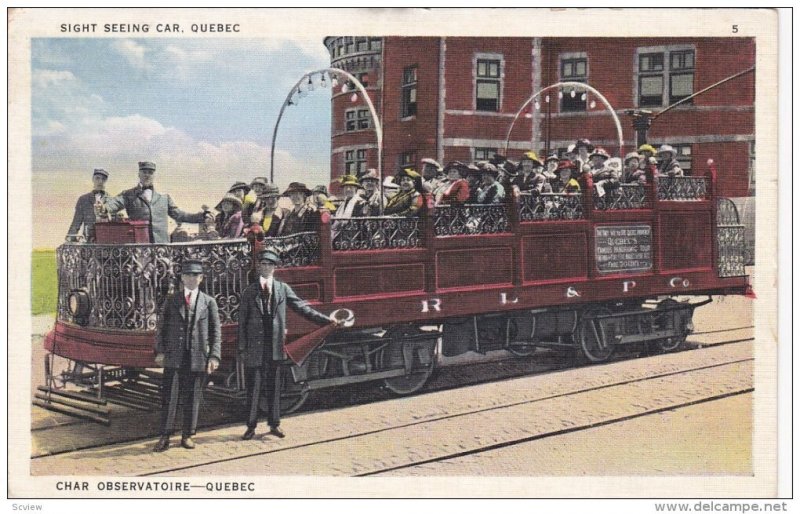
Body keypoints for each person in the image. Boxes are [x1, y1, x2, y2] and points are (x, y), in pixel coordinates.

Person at [238, 250, 344, 440]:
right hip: (255, 348)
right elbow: (242, 322)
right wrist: (242, 348)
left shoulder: (282, 288)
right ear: (259, 267)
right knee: (253, 389)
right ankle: (250, 426)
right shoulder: (249, 292)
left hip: (275, 347)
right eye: (263, 264)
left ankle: (274, 424)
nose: (267, 267)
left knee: (274, 387)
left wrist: (326, 321)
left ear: (275, 268)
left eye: (270, 265)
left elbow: (302, 308)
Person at [153, 259, 221, 452]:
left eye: (195, 276)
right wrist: (160, 351)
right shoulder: (172, 300)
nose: (191, 279)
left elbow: (216, 332)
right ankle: (165, 436)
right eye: (188, 275)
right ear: (182, 278)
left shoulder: (209, 303)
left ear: (201, 279)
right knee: (170, 396)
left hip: (197, 357)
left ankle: (187, 435)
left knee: (193, 397)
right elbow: (161, 328)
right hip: (175, 356)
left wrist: (214, 357)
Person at [100, 161, 211, 244]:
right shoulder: (129, 194)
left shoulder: (164, 198)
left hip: (161, 245)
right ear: (139, 174)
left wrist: (202, 216)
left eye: (150, 172)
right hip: (140, 245)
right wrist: (104, 208)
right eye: (144, 172)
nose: (147, 175)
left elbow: (179, 215)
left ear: (154, 175)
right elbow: (115, 203)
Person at [66, 168, 109, 242]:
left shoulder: (111, 200)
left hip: (106, 240)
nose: (100, 181)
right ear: (93, 179)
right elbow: (76, 221)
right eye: (97, 178)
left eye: (103, 179)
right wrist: (70, 237)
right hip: (87, 241)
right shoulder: (83, 200)